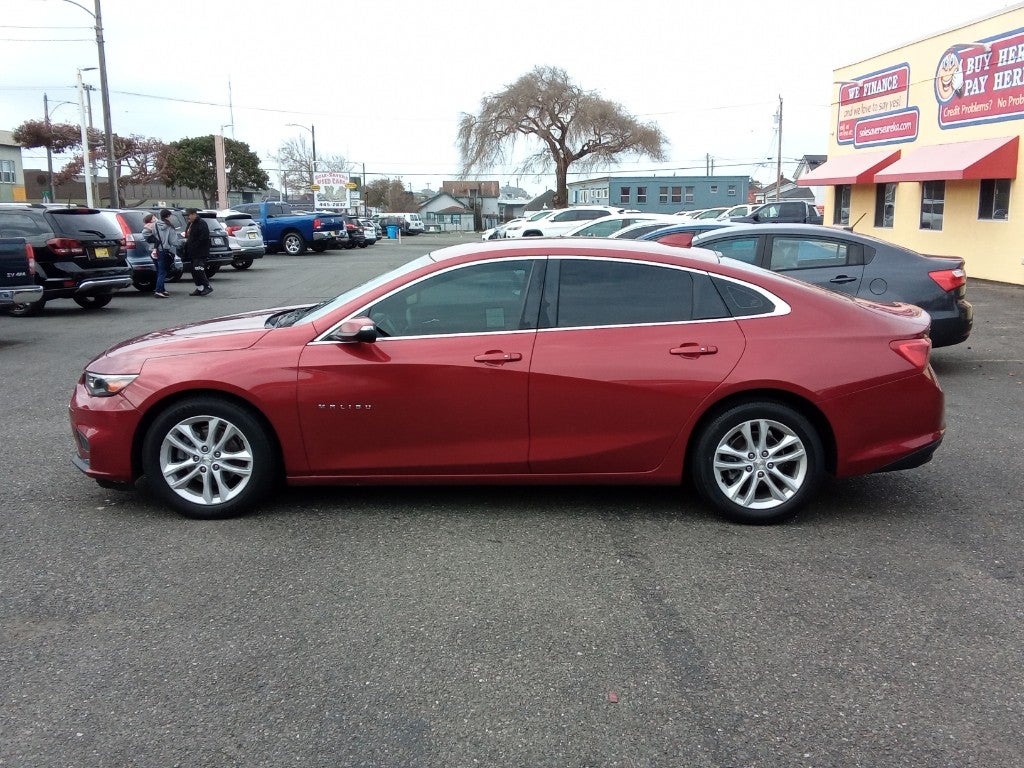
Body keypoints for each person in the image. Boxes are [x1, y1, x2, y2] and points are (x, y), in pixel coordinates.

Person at [152, 209, 184, 298]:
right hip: (166, 250)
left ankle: (162, 289)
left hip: (158, 249)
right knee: (163, 271)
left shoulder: (155, 224)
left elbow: (154, 234)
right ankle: (158, 290)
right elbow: (173, 241)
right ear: (168, 216)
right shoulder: (169, 226)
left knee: (160, 270)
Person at [183, 207, 212, 296]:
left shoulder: (201, 223)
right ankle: (200, 288)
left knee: (198, 269)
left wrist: (194, 245)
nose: (187, 217)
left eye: (189, 215)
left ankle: (207, 286)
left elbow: (204, 237)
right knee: (193, 270)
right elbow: (188, 235)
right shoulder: (190, 223)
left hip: (200, 252)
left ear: (194, 214)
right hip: (191, 252)